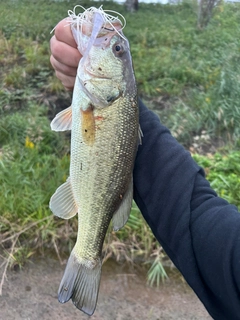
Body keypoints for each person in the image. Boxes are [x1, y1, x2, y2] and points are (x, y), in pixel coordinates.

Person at [50, 19, 240, 320]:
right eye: (117, 50)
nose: (114, 48)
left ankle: (86, 255)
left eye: (116, 50)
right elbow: (197, 215)